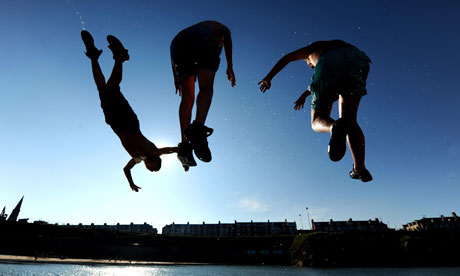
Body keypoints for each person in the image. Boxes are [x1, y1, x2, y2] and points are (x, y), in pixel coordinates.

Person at [258, 39, 372, 182]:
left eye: (310, 65)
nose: (311, 67)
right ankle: (359, 168)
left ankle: (333, 126)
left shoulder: (311, 50)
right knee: (349, 120)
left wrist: (268, 77)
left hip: (329, 60)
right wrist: (303, 96)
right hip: (357, 59)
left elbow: (287, 58)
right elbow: (312, 87)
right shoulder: (337, 45)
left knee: (317, 120)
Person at [81, 30, 177, 192]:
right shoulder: (153, 151)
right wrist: (184, 149)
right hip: (128, 121)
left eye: (151, 171)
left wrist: (130, 183)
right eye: (155, 169)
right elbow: (171, 150)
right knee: (111, 88)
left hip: (114, 123)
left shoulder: (137, 159)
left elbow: (126, 170)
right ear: (157, 161)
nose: (152, 170)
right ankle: (119, 58)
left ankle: (95, 57)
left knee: (102, 89)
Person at [170, 20, 236, 171]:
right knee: (206, 87)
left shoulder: (201, 26)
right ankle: (198, 129)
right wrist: (230, 65)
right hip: (202, 38)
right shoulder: (222, 27)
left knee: (187, 96)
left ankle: (184, 146)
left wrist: (175, 76)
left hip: (178, 43)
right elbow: (227, 35)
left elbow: (172, 52)